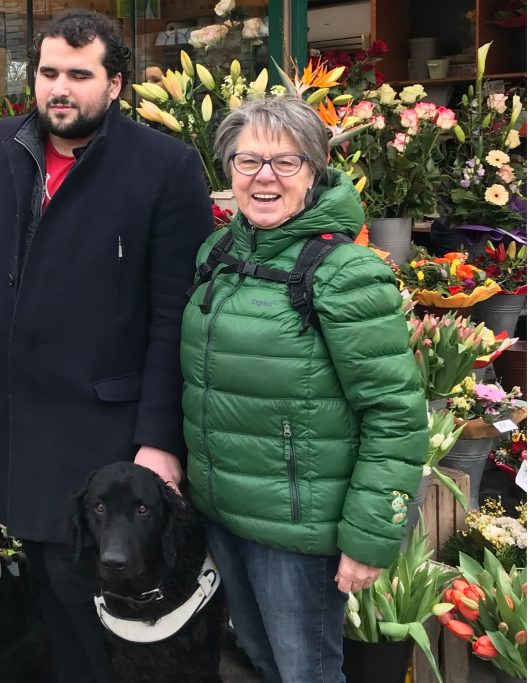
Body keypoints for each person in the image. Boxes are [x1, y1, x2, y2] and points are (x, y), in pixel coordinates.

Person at [0, 10, 212, 682]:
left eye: (79, 76)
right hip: (3, 433)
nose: (60, 88)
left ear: (114, 84)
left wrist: (160, 437)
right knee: (27, 614)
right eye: (49, 72)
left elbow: (177, 315)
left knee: (97, 629)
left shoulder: (166, 167)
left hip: (99, 443)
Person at [180, 96, 427, 682]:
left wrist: (369, 537)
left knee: (306, 673)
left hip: (297, 533)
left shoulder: (345, 272)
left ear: (315, 172)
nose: (264, 177)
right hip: (223, 514)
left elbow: (394, 412)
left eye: (285, 163)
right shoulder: (218, 255)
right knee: (262, 662)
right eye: (247, 161)